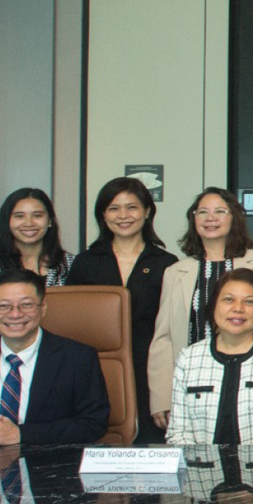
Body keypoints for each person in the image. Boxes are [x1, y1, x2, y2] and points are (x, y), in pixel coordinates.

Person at [147, 188, 253, 432]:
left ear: (234, 218)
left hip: (248, 383)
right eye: (203, 212)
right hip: (191, 384)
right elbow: (163, 338)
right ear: (194, 219)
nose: (211, 218)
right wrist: (161, 397)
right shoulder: (176, 271)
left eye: (220, 211)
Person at [66, 177, 181, 444]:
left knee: (153, 453)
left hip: (152, 371)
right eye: (113, 208)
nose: (123, 216)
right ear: (103, 215)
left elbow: (173, 331)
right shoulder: (85, 263)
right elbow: (73, 328)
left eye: (132, 207)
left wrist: (165, 392)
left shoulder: (167, 263)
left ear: (147, 211)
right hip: (96, 371)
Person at [0, 268, 109, 445]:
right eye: (3, 306)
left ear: (43, 307)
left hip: (51, 465)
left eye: (26, 304)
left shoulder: (78, 358)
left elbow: (93, 424)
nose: (15, 314)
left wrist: (21, 434)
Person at [166, 269, 253, 446]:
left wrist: (247, 460)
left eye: (249, 302)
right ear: (214, 305)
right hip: (201, 469)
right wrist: (200, 462)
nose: (238, 308)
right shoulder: (189, 357)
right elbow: (178, 432)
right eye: (228, 299)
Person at [0, 188, 77, 355]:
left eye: (37, 215)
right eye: (19, 216)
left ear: (49, 221)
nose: (29, 223)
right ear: (7, 221)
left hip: (56, 361)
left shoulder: (70, 264)